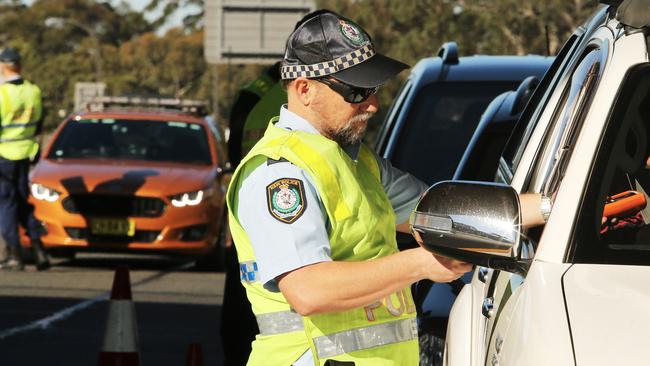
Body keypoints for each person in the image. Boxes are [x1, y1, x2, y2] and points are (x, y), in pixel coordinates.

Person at [226, 10, 472, 365]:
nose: (372, 104)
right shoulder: (279, 175)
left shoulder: (358, 162)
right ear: (305, 90)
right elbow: (308, 290)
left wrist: (547, 206)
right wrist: (420, 263)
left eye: (373, 89)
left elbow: (443, 213)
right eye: (356, 91)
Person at [221, 62, 287, 365]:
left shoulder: (254, 94)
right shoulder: (323, 87)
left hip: (248, 211)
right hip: (305, 209)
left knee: (243, 302)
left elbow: (234, 152)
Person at [0, 47, 50, 271]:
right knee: (21, 202)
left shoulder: (2, 94)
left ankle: (14, 253)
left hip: (5, 154)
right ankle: (39, 249)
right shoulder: (33, 90)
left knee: (6, 203)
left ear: (3, 66)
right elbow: (39, 123)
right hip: (26, 153)